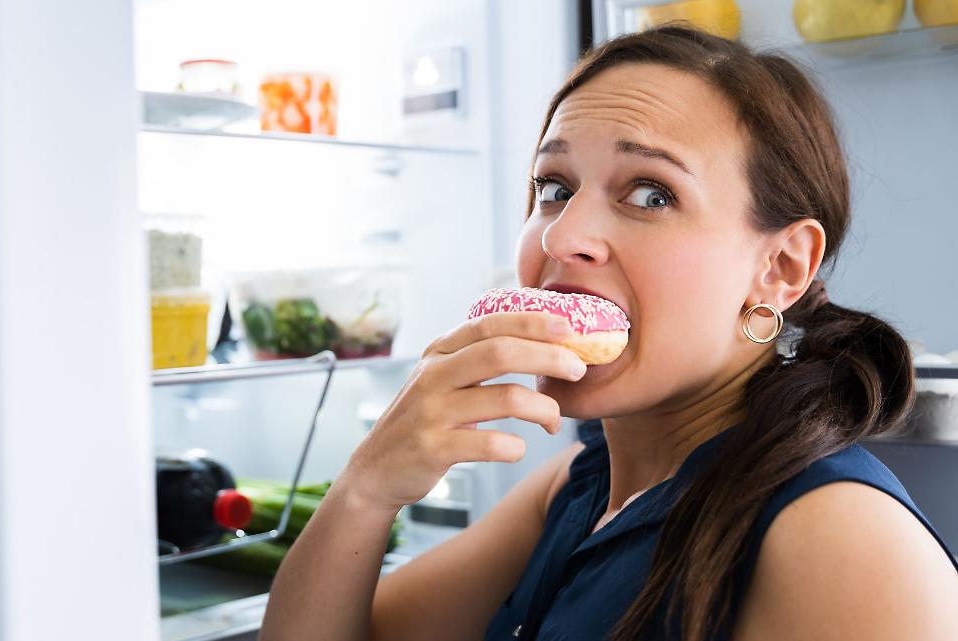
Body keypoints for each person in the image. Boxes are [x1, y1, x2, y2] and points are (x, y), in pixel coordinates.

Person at [257, 25, 958, 641]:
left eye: (652, 194)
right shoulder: (580, 484)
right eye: (555, 187)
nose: (564, 235)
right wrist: (365, 489)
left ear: (779, 267)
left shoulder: (841, 540)